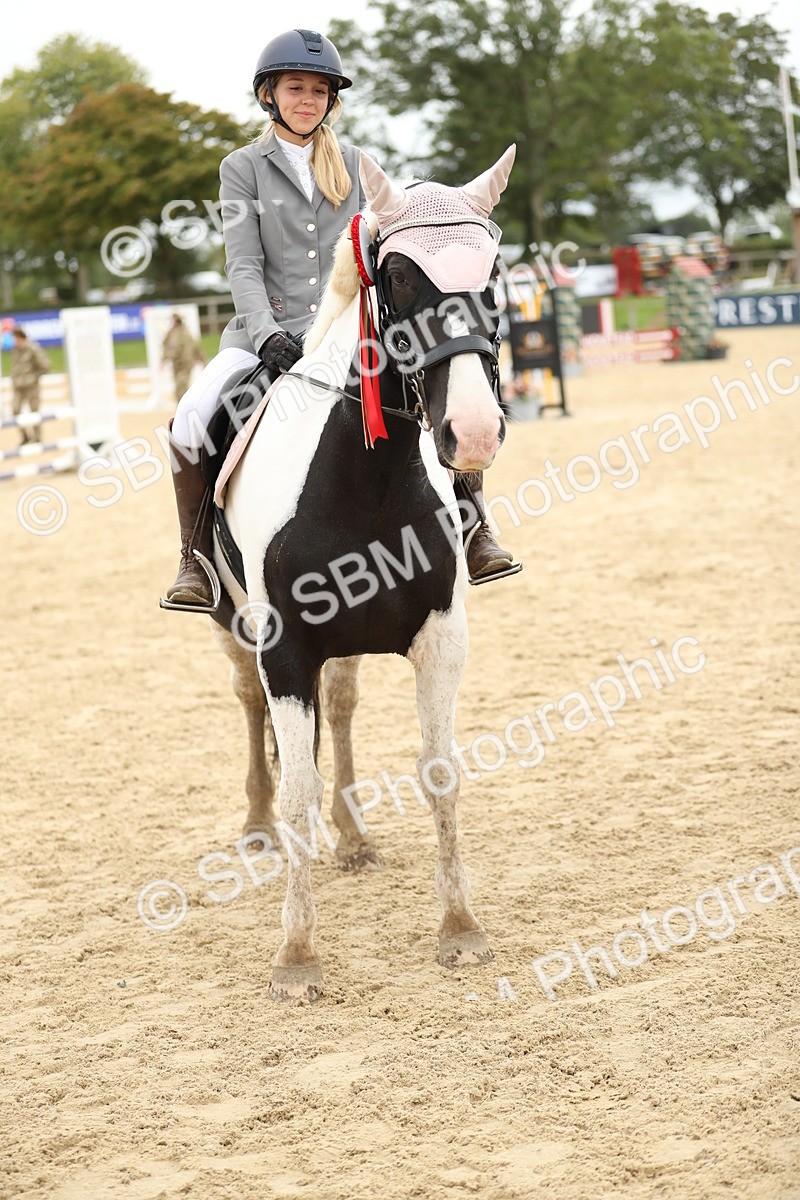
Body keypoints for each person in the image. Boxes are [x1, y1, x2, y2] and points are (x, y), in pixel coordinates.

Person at [162, 28, 516, 611]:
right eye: (295, 88)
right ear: (268, 96)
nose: (308, 99)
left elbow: (385, 244)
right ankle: (194, 559)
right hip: (266, 334)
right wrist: (267, 334)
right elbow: (243, 264)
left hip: (352, 329)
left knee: (445, 381)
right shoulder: (241, 167)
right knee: (191, 420)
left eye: (320, 90)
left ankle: (476, 528)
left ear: (333, 100)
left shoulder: (357, 165)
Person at [10, 327, 50, 445]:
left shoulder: (33, 348)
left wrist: (34, 378)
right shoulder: (16, 350)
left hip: (31, 386)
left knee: (34, 411)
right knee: (15, 410)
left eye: (15, 337)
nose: (14, 340)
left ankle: (37, 437)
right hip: (18, 387)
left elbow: (45, 365)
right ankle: (25, 436)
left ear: (20, 337)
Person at [162, 314, 205, 402]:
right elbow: (167, 346)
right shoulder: (172, 333)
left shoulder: (185, 333)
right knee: (179, 386)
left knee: (181, 385)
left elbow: (195, 347)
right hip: (177, 363)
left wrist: (202, 360)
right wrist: (164, 359)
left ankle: (183, 404)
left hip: (186, 363)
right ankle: (182, 405)